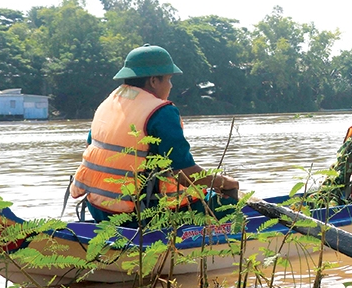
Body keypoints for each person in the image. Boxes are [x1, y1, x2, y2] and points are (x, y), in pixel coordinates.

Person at [70, 44, 240, 224]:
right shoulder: (161, 112)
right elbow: (184, 173)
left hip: (99, 209)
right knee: (226, 202)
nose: (171, 85)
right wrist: (226, 183)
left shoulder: (107, 105)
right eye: (168, 79)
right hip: (139, 216)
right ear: (153, 81)